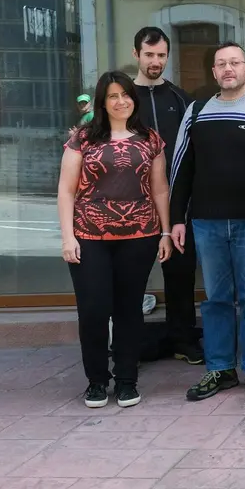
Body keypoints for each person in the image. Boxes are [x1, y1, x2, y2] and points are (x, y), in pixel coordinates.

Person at [171, 41, 245, 402]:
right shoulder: (195, 112)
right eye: (221, 63)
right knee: (216, 298)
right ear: (213, 72)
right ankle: (220, 368)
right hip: (206, 223)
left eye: (234, 63)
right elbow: (181, 170)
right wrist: (177, 219)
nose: (227, 69)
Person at [58, 71, 172, 408]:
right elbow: (66, 191)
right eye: (112, 96)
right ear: (102, 101)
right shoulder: (83, 138)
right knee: (93, 310)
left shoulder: (150, 139)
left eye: (125, 94)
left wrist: (165, 232)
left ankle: (126, 380)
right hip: (89, 235)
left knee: (128, 311)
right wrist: (68, 237)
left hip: (140, 235)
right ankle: (96, 380)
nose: (121, 101)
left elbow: (160, 188)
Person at [131, 26, 203, 364]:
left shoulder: (180, 98)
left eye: (161, 55)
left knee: (180, 273)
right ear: (137, 55)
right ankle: (130, 344)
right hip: (133, 205)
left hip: (176, 202)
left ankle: (183, 338)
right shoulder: (123, 98)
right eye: (149, 55)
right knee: (132, 276)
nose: (155, 61)